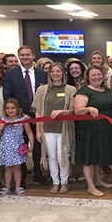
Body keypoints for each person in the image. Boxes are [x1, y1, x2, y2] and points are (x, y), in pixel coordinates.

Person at [3, 45, 48, 186]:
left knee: (38, 145)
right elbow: (8, 95)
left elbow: (47, 95)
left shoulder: (42, 74)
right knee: (20, 145)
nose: (25, 57)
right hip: (19, 117)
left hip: (39, 116)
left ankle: (38, 173)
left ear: (33, 56)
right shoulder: (11, 74)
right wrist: (20, 114)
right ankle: (20, 176)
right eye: (22, 55)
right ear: (19, 57)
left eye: (28, 54)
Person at [33, 62, 76, 194]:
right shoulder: (41, 90)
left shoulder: (70, 90)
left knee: (62, 155)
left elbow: (74, 110)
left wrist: (62, 112)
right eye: (53, 71)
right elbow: (38, 112)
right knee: (51, 156)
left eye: (58, 71)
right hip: (47, 129)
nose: (55, 74)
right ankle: (55, 182)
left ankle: (64, 182)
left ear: (63, 73)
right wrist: (38, 130)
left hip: (64, 129)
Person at [74, 65, 112, 197]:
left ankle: (98, 180)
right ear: (88, 77)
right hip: (90, 129)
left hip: (106, 129)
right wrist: (88, 109)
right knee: (89, 157)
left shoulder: (107, 90)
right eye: (93, 75)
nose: (96, 77)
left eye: (99, 74)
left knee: (99, 155)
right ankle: (90, 186)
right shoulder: (84, 91)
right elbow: (77, 111)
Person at [0, 98, 34, 197]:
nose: (10, 110)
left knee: (17, 168)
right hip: (6, 147)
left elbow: (29, 132)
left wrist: (32, 144)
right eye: (8, 108)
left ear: (17, 109)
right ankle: (7, 187)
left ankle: (18, 187)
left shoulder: (22, 119)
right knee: (7, 168)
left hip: (17, 147)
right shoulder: (2, 119)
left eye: (13, 108)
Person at [88, 50, 112, 174]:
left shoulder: (109, 73)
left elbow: (111, 89)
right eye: (94, 58)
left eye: (99, 58)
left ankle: (104, 164)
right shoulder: (88, 72)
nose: (97, 60)